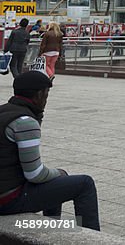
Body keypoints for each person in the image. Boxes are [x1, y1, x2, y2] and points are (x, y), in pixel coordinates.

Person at [0, 71, 100, 230]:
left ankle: (50, 229)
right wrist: (60, 173)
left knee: (55, 181)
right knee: (84, 184)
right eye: (46, 94)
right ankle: (93, 239)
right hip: (8, 199)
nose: (46, 100)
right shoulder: (24, 122)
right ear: (39, 95)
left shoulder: (5, 111)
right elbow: (34, 174)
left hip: (6, 188)